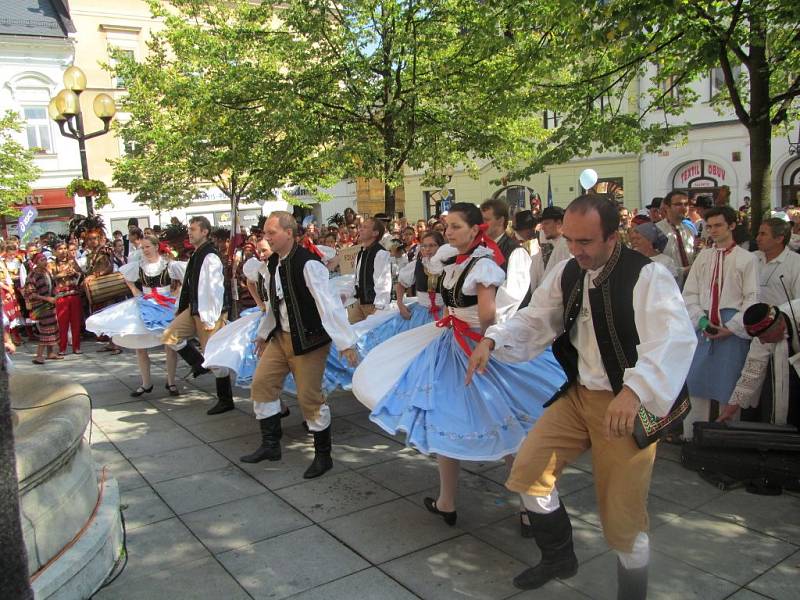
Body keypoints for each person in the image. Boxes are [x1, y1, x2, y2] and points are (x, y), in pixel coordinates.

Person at [466, 194, 695, 599]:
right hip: (579, 394)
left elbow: (673, 339)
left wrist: (635, 390)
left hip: (627, 404)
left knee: (623, 517)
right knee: (529, 471)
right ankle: (559, 557)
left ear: (613, 236)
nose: (575, 250)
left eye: (585, 242)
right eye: (570, 240)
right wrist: (493, 339)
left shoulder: (647, 276)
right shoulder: (568, 271)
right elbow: (537, 317)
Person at [353, 202, 566, 529]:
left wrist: (478, 336)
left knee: (506, 422)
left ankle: (528, 504)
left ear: (474, 229)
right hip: (452, 343)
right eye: (447, 226)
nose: (448, 232)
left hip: (476, 347)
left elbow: (488, 316)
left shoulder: (482, 264)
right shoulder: (455, 259)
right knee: (448, 417)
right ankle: (450, 501)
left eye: (454, 227)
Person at [239, 212, 358, 479]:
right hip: (280, 338)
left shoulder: (309, 264)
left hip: (309, 340)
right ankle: (271, 446)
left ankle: (323, 456)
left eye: (272, 233)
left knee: (309, 398)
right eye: (265, 234)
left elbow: (327, 305)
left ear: (289, 233)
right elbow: (274, 304)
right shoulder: (272, 264)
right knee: (261, 385)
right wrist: (262, 334)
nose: (266, 238)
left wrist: (345, 342)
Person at [682, 206, 759, 439]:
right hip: (705, 325)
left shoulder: (747, 259)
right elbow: (689, 294)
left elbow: (751, 299)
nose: (713, 230)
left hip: (732, 326)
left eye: (718, 225)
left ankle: (727, 438)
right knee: (696, 381)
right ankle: (693, 436)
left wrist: (732, 327)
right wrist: (702, 320)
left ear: (732, 225)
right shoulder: (703, 257)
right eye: (709, 226)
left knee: (729, 383)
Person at [88, 236, 186, 396]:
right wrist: (135, 291)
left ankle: (171, 382)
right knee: (139, 345)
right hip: (145, 303)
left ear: (156, 247)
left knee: (170, 345)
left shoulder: (168, 264)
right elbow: (126, 276)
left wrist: (177, 292)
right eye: (142, 248)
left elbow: (185, 276)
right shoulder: (138, 266)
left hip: (166, 304)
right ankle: (146, 383)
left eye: (147, 247)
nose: (145, 250)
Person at [161, 216, 232, 414]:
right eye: (190, 229)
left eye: (193, 229)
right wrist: (182, 307)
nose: (190, 233)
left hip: (209, 311)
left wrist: (210, 318)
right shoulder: (196, 254)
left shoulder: (210, 256)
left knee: (215, 356)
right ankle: (198, 364)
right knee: (170, 336)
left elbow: (214, 290)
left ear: (205, 232)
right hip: (194, 309)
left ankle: (225, 399)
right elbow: (189, 285)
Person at [722, 302, 800, 427]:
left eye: (764, 337)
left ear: (780, 325)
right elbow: (752, 372)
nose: (762, 342)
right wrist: (730, 410)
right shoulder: (760, 340)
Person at [480, 197, 532, 315]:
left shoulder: (516, 252)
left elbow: (512, 295)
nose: (481, 225)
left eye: (486, 220)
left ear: (500, 220)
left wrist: (488, 318)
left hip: (507, 323)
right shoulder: (481, 249)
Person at [349, 217, 391, 323]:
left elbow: (383, 282)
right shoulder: (360, 252)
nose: (361, 229)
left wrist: (379, 308)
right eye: (361, 227)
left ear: (375, 233)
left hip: (373, 304)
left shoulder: (380, 253)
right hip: (359, 302)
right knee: (353, 333)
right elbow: (357, 279)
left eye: (365, 227)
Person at [24, 253, 63, 364]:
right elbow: (31, 293)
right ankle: (38, 356)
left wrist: (56, 291)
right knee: (46, 330)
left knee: (53, 328)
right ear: (36, 262)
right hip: (41, 306)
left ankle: (50, 353)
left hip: (50, 305)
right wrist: (47, 298)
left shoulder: (46, 272)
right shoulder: (33, 275)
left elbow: (52, 286)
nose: (45, 262)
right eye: (42, 260)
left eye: (45, 259)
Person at [755, 218, 800, 306]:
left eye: (763, 234)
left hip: (782, 317)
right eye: (758, 234)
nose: (757, 238)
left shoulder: (796, 263)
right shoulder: (752, 258)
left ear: (779, 239)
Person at [656, 191, 696, 286]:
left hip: (690, 285)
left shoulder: (689, 229)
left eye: (686, 204)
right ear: (667, 207)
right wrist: (683, 271)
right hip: (668, 286)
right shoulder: (657, 230)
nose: (683, 208)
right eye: (678, 204)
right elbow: (655, 262)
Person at [52, 241, 84, 355]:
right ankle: (62, 348)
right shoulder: (52, 263)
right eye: (60, 249)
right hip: (61, 297)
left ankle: (76, 347)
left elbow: (80, 275)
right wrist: (62, 274)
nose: (63, 251)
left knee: (76, 322)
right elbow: (50, 278)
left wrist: (74, 272)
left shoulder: (72, 261)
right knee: (62, 324)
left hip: (74, 294)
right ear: (54, 251)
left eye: (65, 248)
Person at [530, 206, 570, 292]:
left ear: (559, 223)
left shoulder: (565, 245)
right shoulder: (551, 246)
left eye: (547, 223)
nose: (543, 227)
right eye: (542, 224)